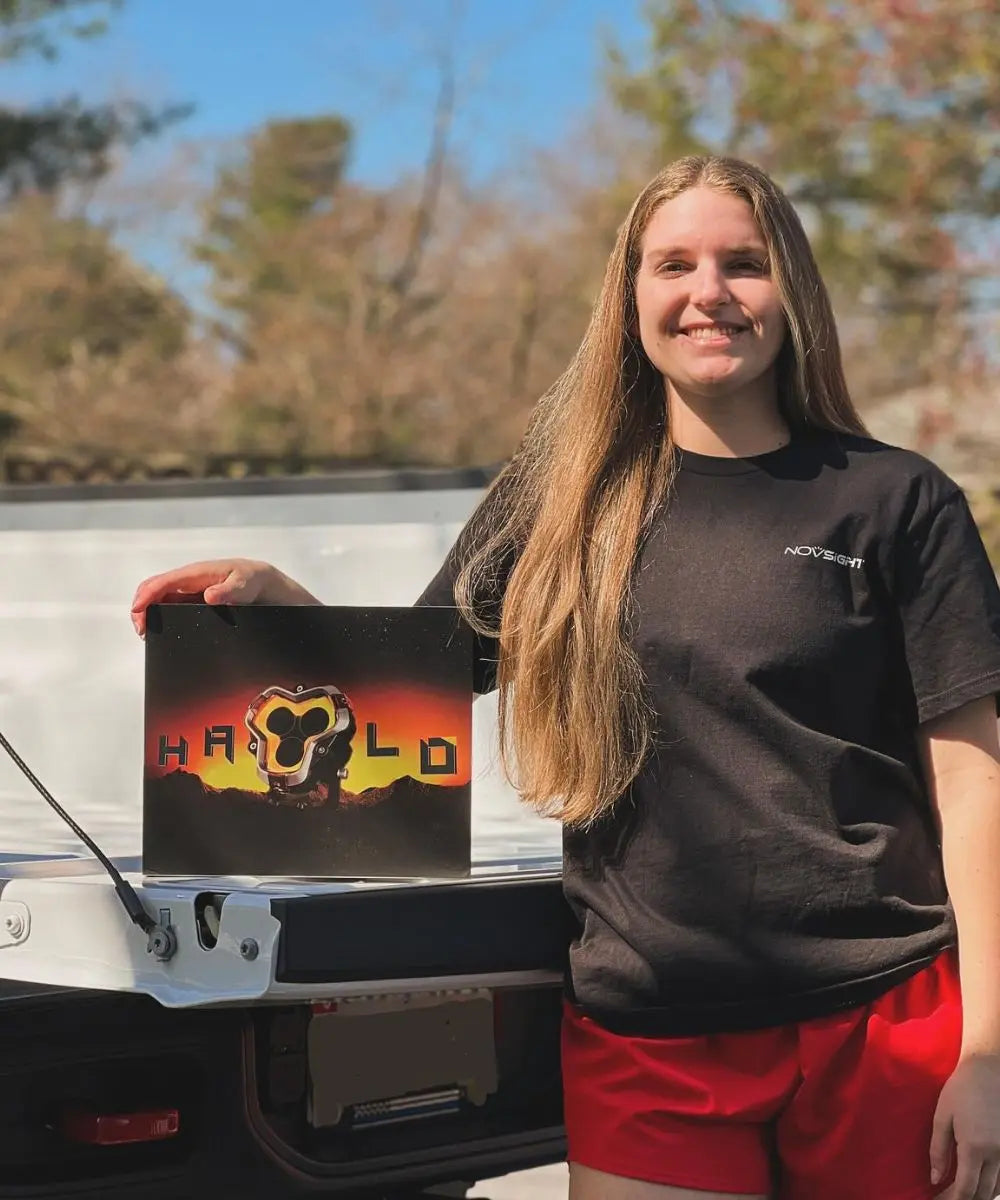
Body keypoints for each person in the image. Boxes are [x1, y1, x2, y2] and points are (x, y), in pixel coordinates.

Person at [130, 155, 1000, 1200]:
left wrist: (986, 1052)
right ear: (629, 297)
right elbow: (427, 676)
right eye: (672, 264)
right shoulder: (565, 497)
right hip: (648, 1031)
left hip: (885, 1020)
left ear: (793, 292)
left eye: (744, 263)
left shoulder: (896, 500)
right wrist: (278, 606)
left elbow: (972, 780)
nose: (708, 292)